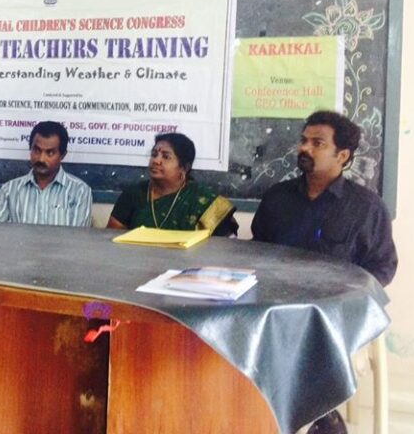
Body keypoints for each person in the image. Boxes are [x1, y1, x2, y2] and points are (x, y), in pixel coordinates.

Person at [251, 110, 398, 434]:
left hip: (334, 317)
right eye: (304, 140)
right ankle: (263, 415)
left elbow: (383, 265)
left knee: (309, 346)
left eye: (317, 143)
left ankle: (320, 415)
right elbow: (256, 253)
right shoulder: (278, 198)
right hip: (276, 310)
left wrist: (349, 301)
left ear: (342, 155)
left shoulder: (366, 207)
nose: (305, 148)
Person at [107, 132, 237, 235]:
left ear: (184, 167)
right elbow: (112, 238)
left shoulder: (203, 200)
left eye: (166, 157)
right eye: (154, 154)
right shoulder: (134, 194)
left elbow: (225, 247)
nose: (156, 161)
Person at [0, 121, 92, 226]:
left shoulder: (79, 191)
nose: (41, 159)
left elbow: (77, 237)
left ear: (62, 155)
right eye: (37, 150)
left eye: (50, 153)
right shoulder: (10, 190)